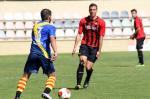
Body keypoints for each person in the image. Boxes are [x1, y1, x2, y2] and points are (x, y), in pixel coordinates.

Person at [14, 8, 57, 99]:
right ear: (49, 17)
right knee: (52, 75)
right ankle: (46, 92)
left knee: (26, 75)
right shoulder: (51, 27)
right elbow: (52, 39)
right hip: (44, 54)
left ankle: (17, 96)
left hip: (33, 53)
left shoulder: (35, 26)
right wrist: (55, 52)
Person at [72, 3, 105, 89]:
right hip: (85, 45)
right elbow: (79, 34)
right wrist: (75, 47)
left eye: (94, 9)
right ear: (89, 10)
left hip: (95, 47)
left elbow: (101, 37)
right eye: (91, 9)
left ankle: (87, 78)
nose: (92, 11)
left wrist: (99, 51)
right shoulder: (83, 21)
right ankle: (78, 84)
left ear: (96, 10)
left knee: (88, 67)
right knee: (82, 61)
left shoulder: (101, 22)